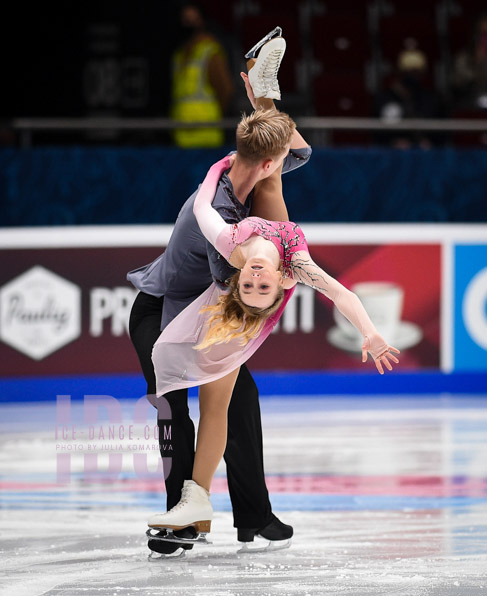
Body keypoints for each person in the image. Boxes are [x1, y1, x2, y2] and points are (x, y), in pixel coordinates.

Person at [147, 155, 401, 536]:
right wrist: (369, 330)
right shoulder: (293, 262)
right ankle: (198, 498)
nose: (253, 278)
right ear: (283, 281)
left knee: (215, 407)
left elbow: (202, 205)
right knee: (274, 177)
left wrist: (220, 166)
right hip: (241, 309)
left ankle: (196, 497)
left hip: (231, 319)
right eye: (258, 286)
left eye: (250, 285)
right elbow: (341, 293)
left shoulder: (233, 246)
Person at [128, 30, 304, 556]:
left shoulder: (235, 167)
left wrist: (262, 107)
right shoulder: (225, 218)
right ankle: (182, 521)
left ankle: (253, 515)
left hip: (207, 307)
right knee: (175, 412)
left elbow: (271, 145)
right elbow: (238, 293)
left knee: (238, 401)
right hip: (163, 315)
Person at [171, 2, 234, 148]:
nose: (187, 25)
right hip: (180, 135)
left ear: (202, 22)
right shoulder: (180, 54)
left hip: (206, 136)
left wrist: (210, 118)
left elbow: (226, 91)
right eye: (184, 20)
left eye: (192, 20)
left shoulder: (210, 51)